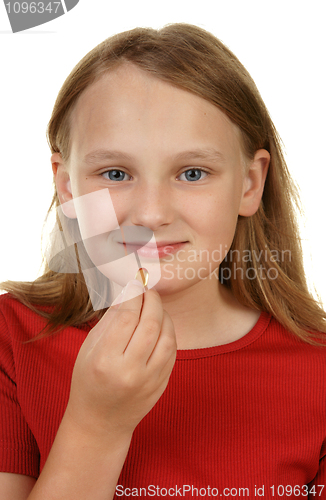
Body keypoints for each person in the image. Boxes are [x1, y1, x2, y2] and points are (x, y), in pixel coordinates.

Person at [0, 23, 325, 500]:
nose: (151, 213)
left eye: (192, 173)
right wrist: (96, 426)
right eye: (115, 173)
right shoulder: (11, 339)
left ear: (250, 184)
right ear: (67, 185)